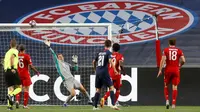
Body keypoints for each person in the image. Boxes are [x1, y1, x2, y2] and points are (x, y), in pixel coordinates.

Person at [44, 40, 92, 106]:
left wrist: (76, 63)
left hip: (72, 79)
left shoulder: (67, 64)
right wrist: (49, 47)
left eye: (61, 56)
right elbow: (53, 54)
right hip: (67, 81)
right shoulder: (57, 63)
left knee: (83, 89)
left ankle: (90, 100)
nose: (60, 57)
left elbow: (75, 69)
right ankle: (65, 103)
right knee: (73, 94)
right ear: (57, 58)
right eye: (59, 57)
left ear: (63, 57)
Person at [157, 38, 186, 109]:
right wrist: (179, 65)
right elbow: (183, 60)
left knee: (166, 85)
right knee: (175, 87)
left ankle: (167, 100)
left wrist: (160, 70)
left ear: (169, 43)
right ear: (175, 43)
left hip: (168, 69)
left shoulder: (166, 50)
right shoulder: (179, 50)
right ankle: (173, 104)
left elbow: (162, 60)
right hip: (176, 70)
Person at [92, 40, 119, 110]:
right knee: (111, 87)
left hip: (98, 71)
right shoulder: (108, 53)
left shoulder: (99, 53)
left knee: (98, 89)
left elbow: (94, 61)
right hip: (104, 72)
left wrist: (95, 69)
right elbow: (110, 61)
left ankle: (94, 107)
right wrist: (115, 70)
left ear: (104, 45)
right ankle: (113, 104)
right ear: (110, 46)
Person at [100, 43, 125, 107]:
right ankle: (114, 103)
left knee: (111, 88)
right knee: (118, 89)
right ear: (119, 49)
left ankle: (104, 98)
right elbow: (120, 63)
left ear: (113, 48)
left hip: (110, 74)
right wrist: (123, 71)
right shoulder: (120, 55)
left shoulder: (109, 55)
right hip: (117, 74)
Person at [15, 44, 40, 109]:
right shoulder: (26, 56)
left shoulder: (16, 56)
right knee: (26, 89)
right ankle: (25, 105)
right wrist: (36, 71)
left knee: (18, 89)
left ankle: (17, 100)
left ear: (19, 50)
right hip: (25, 75)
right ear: (24, 50)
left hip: (18, 75)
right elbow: (31, 66)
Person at [3, 39, 22, 110]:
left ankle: (9, 106)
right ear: (16, 45)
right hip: (12, 70)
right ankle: (11, 95)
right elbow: (12, 58)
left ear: (10, 45)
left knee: (10, 88)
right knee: (20, 87)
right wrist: (12, 68)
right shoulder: (15, 51)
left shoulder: (7, 52)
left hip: (6, 71)